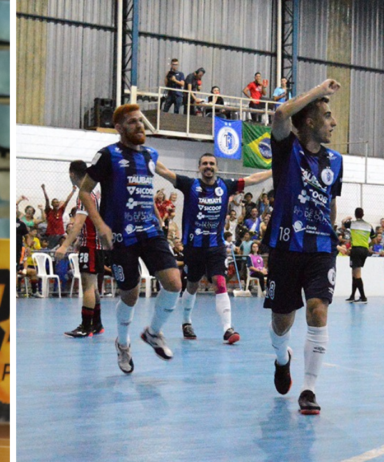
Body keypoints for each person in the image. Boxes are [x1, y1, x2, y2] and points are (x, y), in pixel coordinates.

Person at [78, 104, 183, 375]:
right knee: (131, 294)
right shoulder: (107, 155)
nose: (140, 126)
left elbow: (156, 184)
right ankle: (123, 344)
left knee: (173, 283)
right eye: (133, 122)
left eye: (141, 121)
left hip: (150, 231)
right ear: (120, 128)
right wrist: (101, 224)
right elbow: (85, 191)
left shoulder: (150, 154)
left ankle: (153, 332)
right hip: (120, 236)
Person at [264, 78, 343, 415]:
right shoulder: (287, 149)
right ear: (310, 120)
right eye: (327, 115)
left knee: (318, 309)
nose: (333, 122)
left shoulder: (336, 160)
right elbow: (281, 114)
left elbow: (331, 200)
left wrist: (332, 233)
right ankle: (283, 359)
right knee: (283, 320)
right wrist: (317, 91)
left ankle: (309, 389)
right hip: (284, 247)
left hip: (321, 247)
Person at [156, 153, 271, 342]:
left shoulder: (226, 186)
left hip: (216, 246)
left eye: (211, 164)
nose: (208, 166)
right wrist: (145, 156)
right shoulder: (189, 184)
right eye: (204, 164)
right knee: (192, 284)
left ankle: (228, 328)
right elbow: (165, 172)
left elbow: (252, 179)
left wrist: (273, 171)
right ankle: (186, 322)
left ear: (216, 167)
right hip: (193, 246)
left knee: (220, 282)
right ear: (199, 167)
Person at [56, 160, 106, 337]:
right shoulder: (93, 193)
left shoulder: (84, 195)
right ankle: (97, 324)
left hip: (91, 245)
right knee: (93, 287)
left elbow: (77, 223)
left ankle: (86, 327)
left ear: (72, 174)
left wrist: (64, 245)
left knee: (87, 286)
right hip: (94, 244)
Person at [341, 208, 374, 304]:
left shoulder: (353, 223)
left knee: (357, 273)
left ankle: (363, 297)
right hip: (364, 250)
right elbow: (374, 240)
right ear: (363, 214)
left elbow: (343, 225)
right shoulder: (369, 225)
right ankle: (352, 296)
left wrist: (347, 218)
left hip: (356, 249)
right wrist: (368, 246)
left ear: (355, 215)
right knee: (354, 273)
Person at [42, 184, 76, 249]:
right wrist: (44, 190)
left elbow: (67, 201)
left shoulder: (61, 210)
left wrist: (73, 191)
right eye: (54, 202)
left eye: (57, 202)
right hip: (51, 235)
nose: (56, 203)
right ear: (52, 204)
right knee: (51, 249)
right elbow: (47, 200)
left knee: (63, 244)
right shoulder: (49, 211)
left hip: (60, 234)